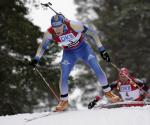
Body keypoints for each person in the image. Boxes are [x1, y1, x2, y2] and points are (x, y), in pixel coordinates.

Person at [30, 14, 120, 111]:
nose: (57, 30)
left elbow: (93, 33)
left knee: (96, 67)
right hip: (69, 53)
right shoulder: (49, 32)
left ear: (63, 23)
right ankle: (64, 101)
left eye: (59, 26)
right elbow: (43, 46)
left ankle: (108, 93)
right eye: (54, 27)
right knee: (63, 75)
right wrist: (36, 58)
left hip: (83, 49)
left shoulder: (74, 25)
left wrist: (102, 50)